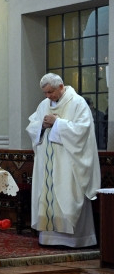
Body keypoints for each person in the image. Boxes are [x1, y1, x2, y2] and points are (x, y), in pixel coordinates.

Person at [26, 73, 100, 248]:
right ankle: (49, 238)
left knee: (68, 194)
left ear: (61, 87)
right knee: (47, 195)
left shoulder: (77, 103)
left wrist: (58, 123)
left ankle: (77, 241)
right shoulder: (43, 105)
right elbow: (32, 126)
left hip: (69, 163)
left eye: (50, 92)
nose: (48, 96)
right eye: (45, 92)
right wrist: (42, 125)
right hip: (47, 163)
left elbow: (83, 130)